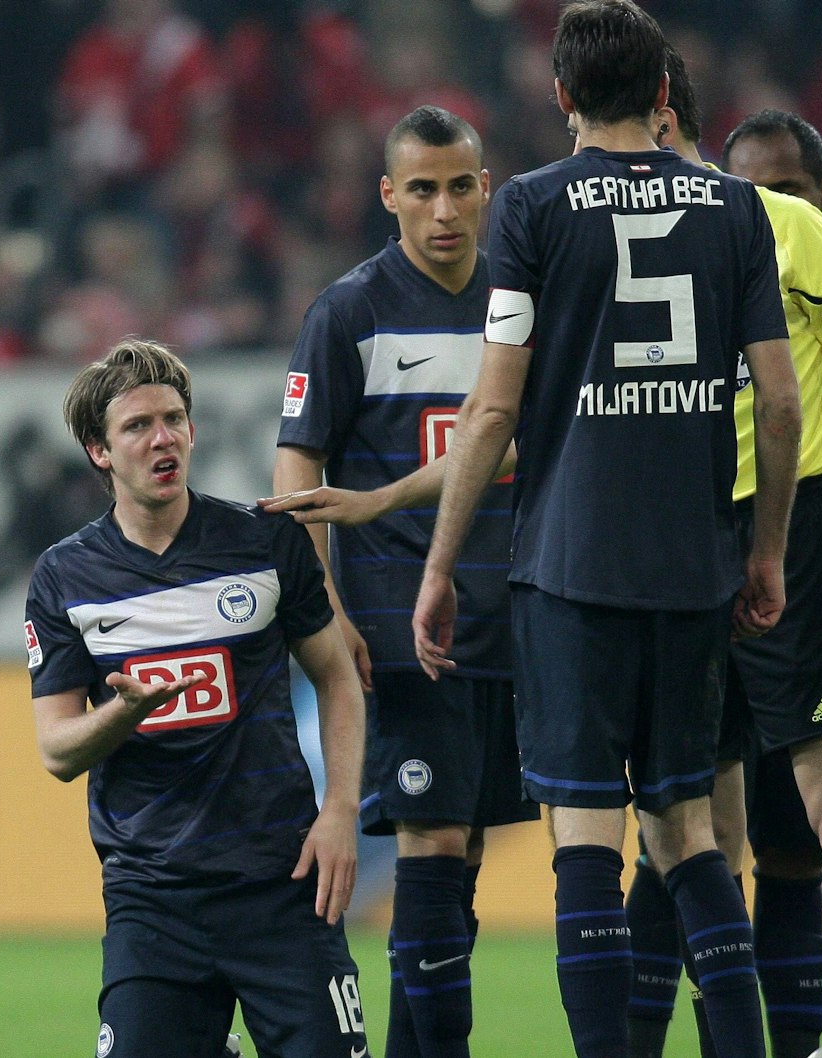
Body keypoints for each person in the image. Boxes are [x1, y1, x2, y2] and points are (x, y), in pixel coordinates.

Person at [413, 4, 801, 1057]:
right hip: (690, 566)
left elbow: (492, 410)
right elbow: (776, 402)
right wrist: (761, 547)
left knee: (583, 833)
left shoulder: (531, 209)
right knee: (686, 832)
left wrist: (442, 563)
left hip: (569, 567)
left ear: (561, 96)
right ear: (665, 94)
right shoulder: (734, 210)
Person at [620, 56, 822, 1058]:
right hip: (674, 551)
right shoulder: (615, 240)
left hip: (799, 546)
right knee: (686, 844)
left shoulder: (797, 242)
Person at [265, 105, 538, 1058]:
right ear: (389, 197)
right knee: (428, 839)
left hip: (514, 617)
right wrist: (327, 611)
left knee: (459, 853)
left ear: (485, 189)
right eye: (421, 189)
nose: (444, 210)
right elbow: (295, 470)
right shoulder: (351, 312)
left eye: (461, 186)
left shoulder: (518, 304)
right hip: (396, 621)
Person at [25, 338, 369, 1058]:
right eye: (137, 426)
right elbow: (56, 749)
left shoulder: (265, 541)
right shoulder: (65, 578)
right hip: (154, 897)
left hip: (282, 880)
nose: (163, 439)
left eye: (174, 419)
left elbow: (337, 678)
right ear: (98, 451)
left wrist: (339, 811)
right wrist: (124, 712)